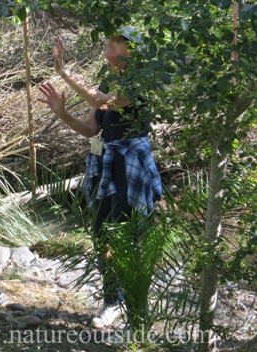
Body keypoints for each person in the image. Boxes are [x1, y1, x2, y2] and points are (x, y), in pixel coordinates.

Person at [37, 26, 163, 329]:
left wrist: (65, 73)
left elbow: (104, 103)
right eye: (109, 41)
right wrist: (61, 112)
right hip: (106, 164)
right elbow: (92, 130)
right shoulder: (108, 81)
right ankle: (112, 301)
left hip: (130, 166)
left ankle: (137, 312)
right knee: (102, 234)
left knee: (129, 238)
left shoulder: (137, 81)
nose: (108, 45)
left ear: (129, 51)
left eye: (115, 42)